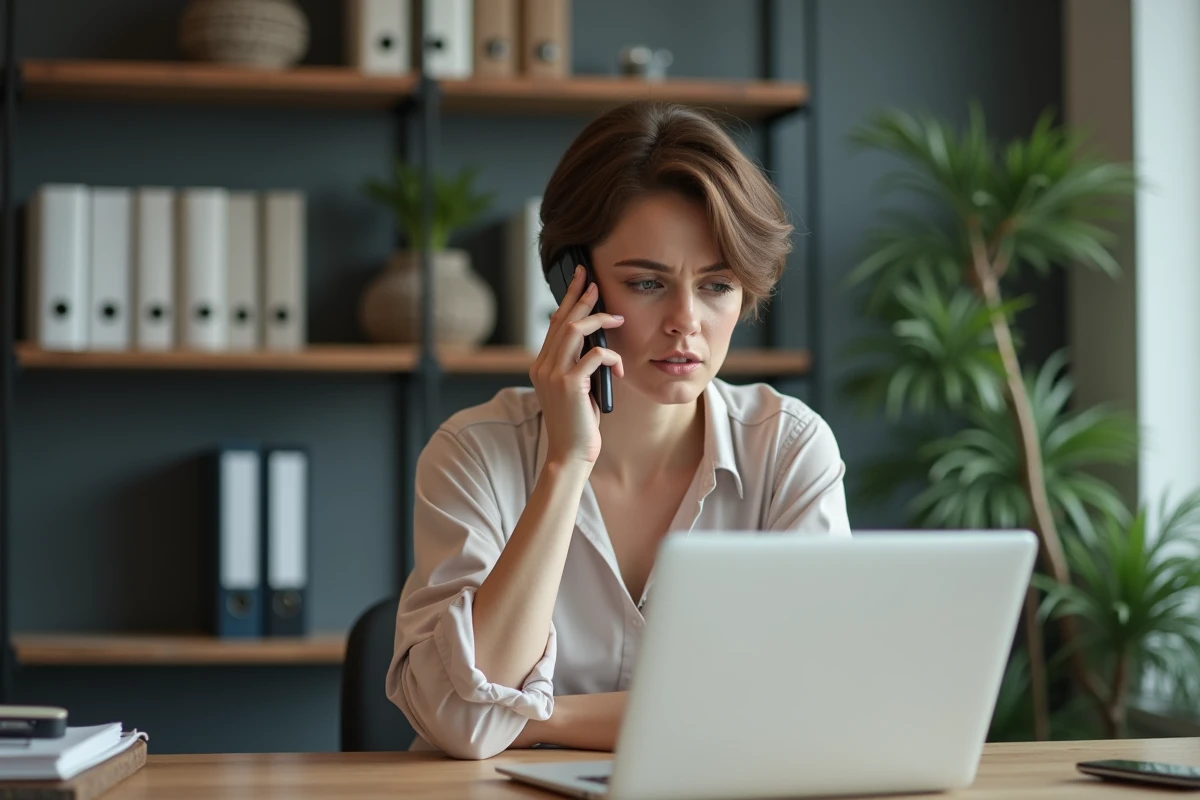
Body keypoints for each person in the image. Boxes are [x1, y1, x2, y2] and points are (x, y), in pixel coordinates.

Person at [385, 99, 850, 761]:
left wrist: (536, 718)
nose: (686, 321)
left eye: (716, 285)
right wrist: (566, 465)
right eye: (646, 283)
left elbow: (810, 708)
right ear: (574, 284)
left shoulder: (788, 449)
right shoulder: (475, 454)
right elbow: (460, 724)